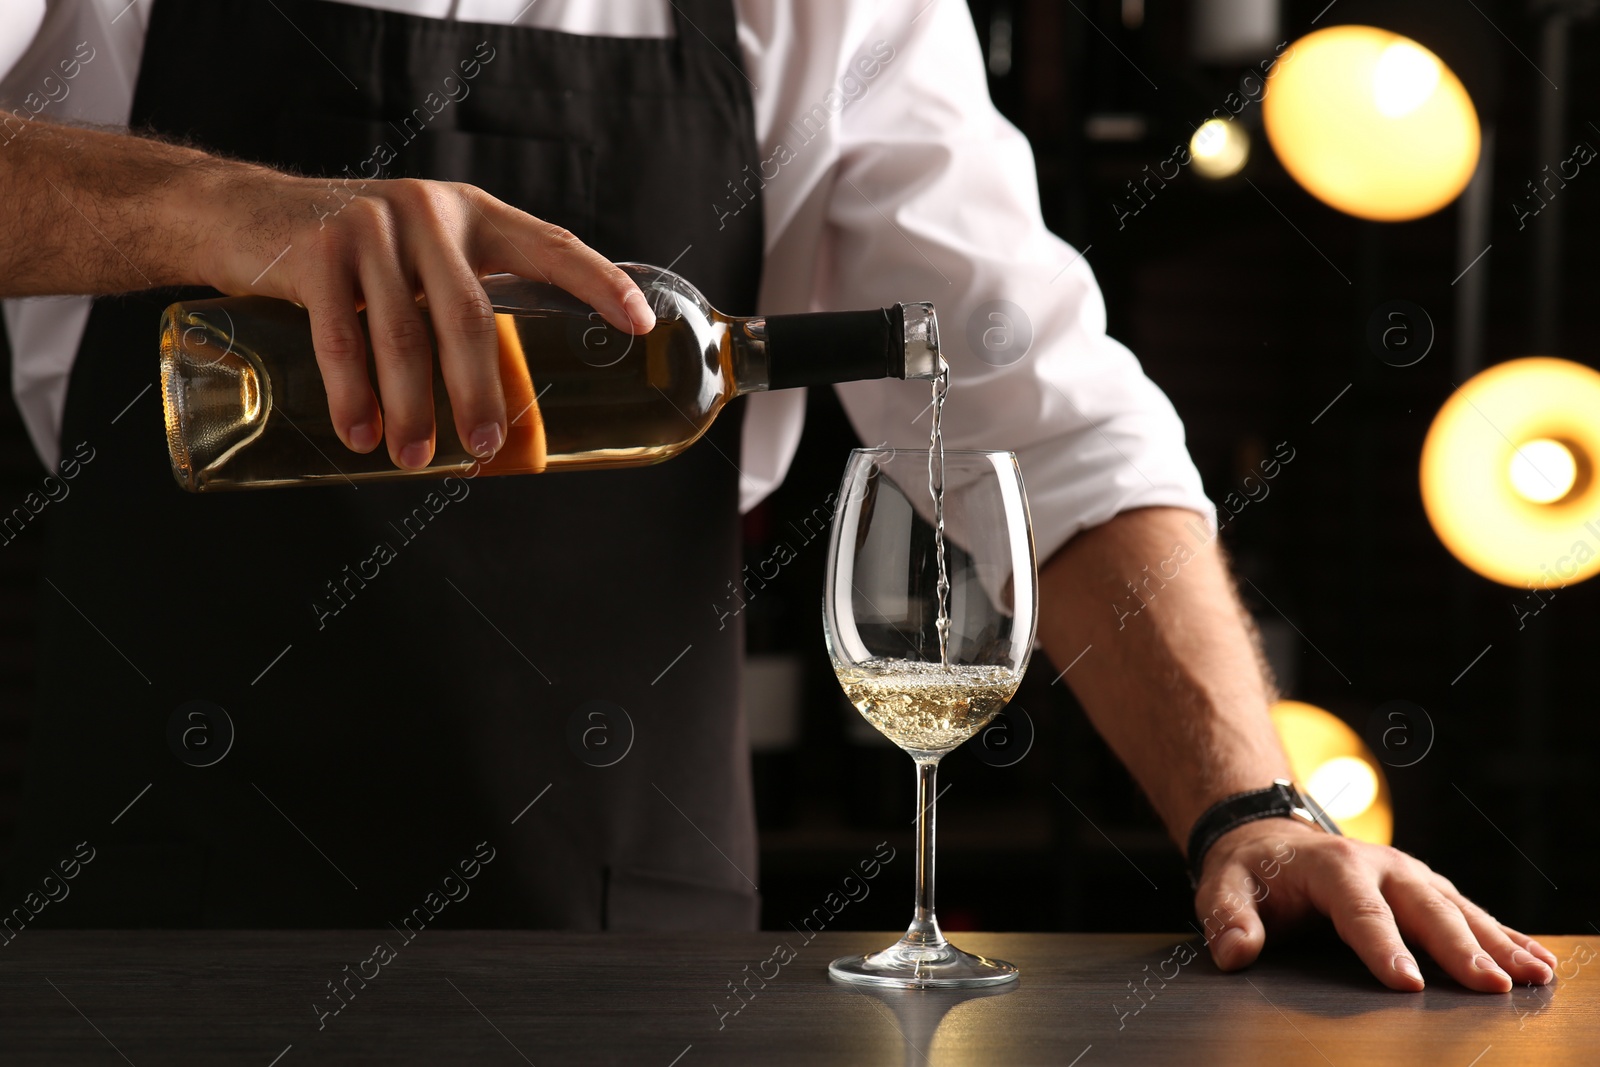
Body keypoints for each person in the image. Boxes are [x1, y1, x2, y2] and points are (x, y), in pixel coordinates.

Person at [0, 0, 1554, 994]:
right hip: (155, 926)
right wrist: (211, 206)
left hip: (620, 945)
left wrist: (1251, 806)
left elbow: (1051, 420)